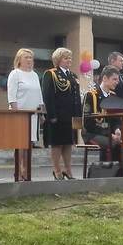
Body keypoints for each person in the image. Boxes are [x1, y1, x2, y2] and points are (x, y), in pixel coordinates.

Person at [42, 47, 82, 180]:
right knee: (57, 143)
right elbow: (48, 96)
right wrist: (51, 115)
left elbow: (76, 98)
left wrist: (78, 118)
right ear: (58, 60)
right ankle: (57, 170)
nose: (69, 60)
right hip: (58, 116)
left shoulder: (73, 76)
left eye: (70, 58)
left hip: (71, 116)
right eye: (66, 58)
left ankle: (68, 170)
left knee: (68, 143)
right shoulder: (51, 74)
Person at [7, 48, 44, 181]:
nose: (29, 60)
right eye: (26, 57)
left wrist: (42, 113)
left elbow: (39, 95)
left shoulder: (34, 75)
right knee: (20, 144)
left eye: (31, 58)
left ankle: (27, 170)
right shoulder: (15, 74)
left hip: (33, 115)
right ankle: (19, 170)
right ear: (19, 60)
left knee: (29, 144)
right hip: (20, 114)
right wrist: (16, 112)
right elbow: (12, 96)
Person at [82, 66, 123, 169]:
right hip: (92, 133)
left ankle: (121, 171)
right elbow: (88, 123)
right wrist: (109, 134)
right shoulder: (91, 95)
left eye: (118, 79)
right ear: (105, 78)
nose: (117, 82)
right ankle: (107, 172)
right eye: (114, 79)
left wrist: (117, 129)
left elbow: (116, 119)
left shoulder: (113, 96)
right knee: (112, 143)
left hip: (108, 133)